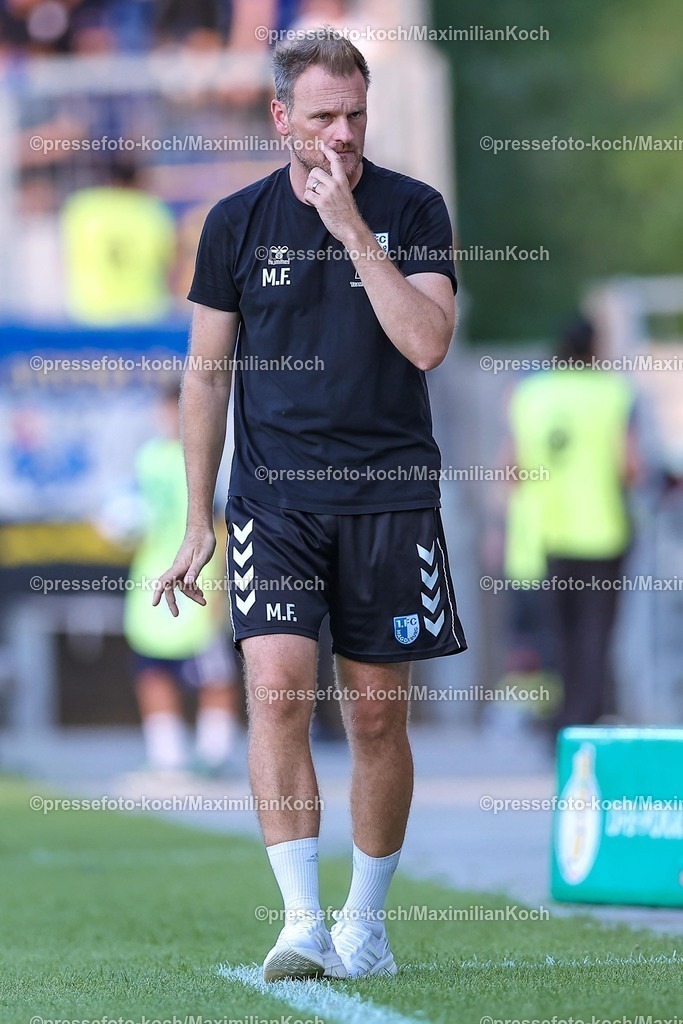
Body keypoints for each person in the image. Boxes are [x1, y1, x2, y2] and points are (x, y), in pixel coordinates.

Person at [153, 29, 467, 981]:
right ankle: (299, 922)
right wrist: (198, 517)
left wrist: (352, 233)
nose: (342, 134)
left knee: (374, 719)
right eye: (323, 116)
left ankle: (364, 926)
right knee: (278, 692)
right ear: (280, 116)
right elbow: (206, 377)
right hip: (273, 501)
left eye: (355, 115)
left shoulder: (413, 208)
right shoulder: (233, 223)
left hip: (388, 499)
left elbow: (426, 343)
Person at [508, 316, 638, 734]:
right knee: (594, 638)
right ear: (594, 348)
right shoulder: (613, 392)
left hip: (546, 533)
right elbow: (630, 466)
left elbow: (512, 467)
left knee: (555, 637)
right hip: (602, 531)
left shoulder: (529, 393)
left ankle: (558, 726)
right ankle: (588, 724)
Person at [125, 382, 240, 776]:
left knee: (213, 670)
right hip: (151, 580)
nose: (169, 418)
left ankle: (214, 755)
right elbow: (132, 514)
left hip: (199, 579)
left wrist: (222, 583)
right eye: (163, 410)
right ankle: (167, 757)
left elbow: (223, 523)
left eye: (176, 409)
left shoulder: (209, 456)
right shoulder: (148, 458)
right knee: (152, 667)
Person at [61, 159, 176, 325]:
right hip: (145, 311)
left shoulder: (82, 207)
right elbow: (170, 264)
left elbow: (67, 255)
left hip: (91, 311)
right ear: (138, 180)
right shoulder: (153, 210)